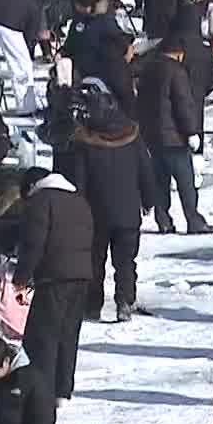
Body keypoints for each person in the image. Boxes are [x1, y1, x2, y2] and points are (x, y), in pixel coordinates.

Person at [59, 97, 146, 322]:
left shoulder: (85, 142)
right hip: (128, 214)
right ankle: (125, 301)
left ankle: (92, 304)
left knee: (95, 262)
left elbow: (79, 181)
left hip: (96, 215)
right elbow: (146, 171)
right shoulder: (132, 137)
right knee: (126, 261)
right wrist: (149, 200)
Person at [13, 167, 95, 401]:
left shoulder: (41, 202)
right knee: (69, 334)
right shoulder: (79, 200)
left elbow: (33, 244)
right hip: (81, 276)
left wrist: (21, 278)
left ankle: (43, 389)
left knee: (44, 336)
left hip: (54, 277)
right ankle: (62, 389)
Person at [136, 34, 213, 235]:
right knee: (186, 183)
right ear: (178, 53)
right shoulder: (176, 72)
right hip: (174, 138)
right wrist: (191, 132)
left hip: (153, 136)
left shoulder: (148, 69)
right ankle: (193, 220)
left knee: (160, 181)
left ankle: (163, 220)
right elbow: (183, 105)